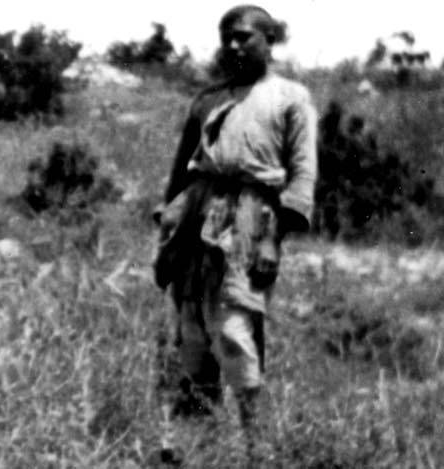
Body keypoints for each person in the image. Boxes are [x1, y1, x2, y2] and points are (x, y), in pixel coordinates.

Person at [153, 3, 315, 443]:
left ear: (270, 40)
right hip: (196, 219)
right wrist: (166, 237)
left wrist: (271, 242)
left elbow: (301, 175)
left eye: (244, 36)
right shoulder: (206, 100)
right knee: (191, 333)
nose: (233, 45)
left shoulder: (290, 98)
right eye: (227, 37)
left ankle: (255, 443)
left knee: (234, 329)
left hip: (250, 220)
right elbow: (179, 174)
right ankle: (195, 443)